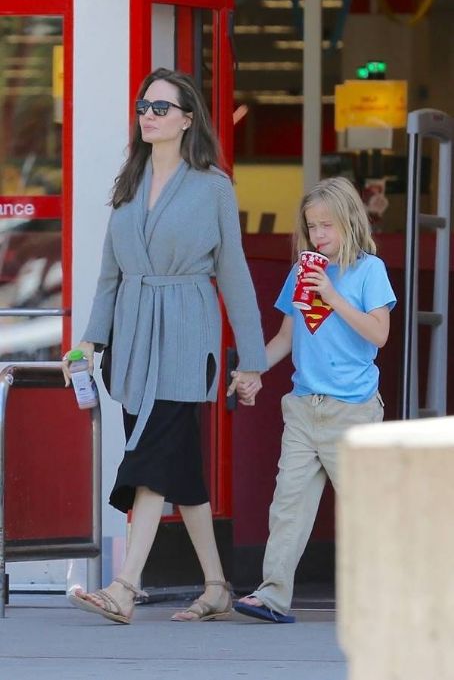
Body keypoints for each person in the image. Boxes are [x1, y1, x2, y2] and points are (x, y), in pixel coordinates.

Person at [62, 68, 266, 624]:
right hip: (131, 342)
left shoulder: (213, 187)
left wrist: (252, 360)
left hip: (184, 338)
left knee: (150, 459)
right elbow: (109, 276)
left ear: (187, 118)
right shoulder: (128, 183)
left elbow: (236, 275)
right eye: (142, 106)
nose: (148, 115)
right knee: (179, 472)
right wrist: (88, 341)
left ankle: (125, 587)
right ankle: (218, 585)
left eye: (159, 107)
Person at [233, 176, 396, 623]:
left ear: (349, 222)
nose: (319, 236)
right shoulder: (301, 273)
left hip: (354, 411)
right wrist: (252, 371)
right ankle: (272, 595)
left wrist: (333, 296)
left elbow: (378, 334)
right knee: (288, 506)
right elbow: (286, 337)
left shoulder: (368, 270)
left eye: (327, 226)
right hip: (305, 405)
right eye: (311, 228)